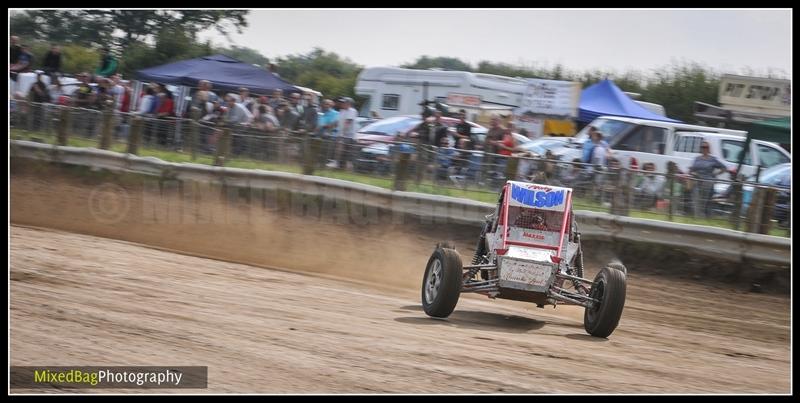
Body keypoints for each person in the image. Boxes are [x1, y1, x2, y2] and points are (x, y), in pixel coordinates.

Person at [689, 140, 727, 217]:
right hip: (697, 180)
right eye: (702, 147)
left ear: (709, 148)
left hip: (708, 181)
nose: (704, 149)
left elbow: (724, 168)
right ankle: (696, 215)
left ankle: (702, 215)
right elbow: (691, 170)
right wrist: (693, 173)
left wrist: (715, 174)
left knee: (704, 199)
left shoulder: (712, 159)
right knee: (696, 198)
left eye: (706, 147)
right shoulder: (697, 159)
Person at [329, 97, 358, 169]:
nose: (341, 104)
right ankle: (337, 164)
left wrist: (342, 135)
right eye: (341, 102)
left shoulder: (352, 111)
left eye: (343, 102)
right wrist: (331, 128)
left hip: (348, 136)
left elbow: (348, 123)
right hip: (342, 135)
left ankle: (337, 163)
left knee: (342, 150)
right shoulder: (342, 111)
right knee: (340, 150)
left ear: (349, 104)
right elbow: (337, 122)